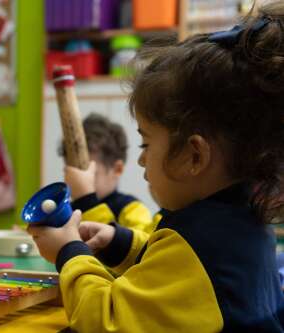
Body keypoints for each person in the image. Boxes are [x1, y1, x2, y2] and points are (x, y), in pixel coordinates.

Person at [28, 2, 284, 332]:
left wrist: (68, 252)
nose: (141, 159)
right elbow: (171, 276)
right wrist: (119, 242)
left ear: (195, 156)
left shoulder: (198, 245)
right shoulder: (239, 225)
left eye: (146, 144)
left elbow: (101, 319)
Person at [61, 113, 153, 233]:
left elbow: (140, 248)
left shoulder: (133, 209)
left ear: (117, 169)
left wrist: (86, 200)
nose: (78, 180)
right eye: (73, 173)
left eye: (87, 172)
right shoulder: (68, 210)